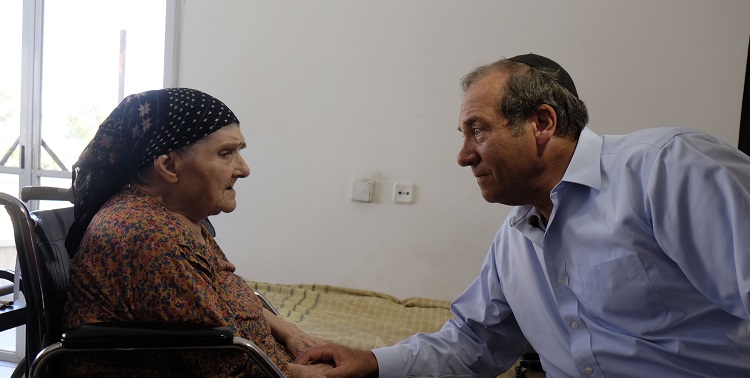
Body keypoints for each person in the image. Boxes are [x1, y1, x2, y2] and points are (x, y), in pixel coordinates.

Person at [295, 54, 750, 377]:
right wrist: (372, 362)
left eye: (478, 131)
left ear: (542, 124)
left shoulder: (669, 169)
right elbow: (474, 344)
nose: (463, 156)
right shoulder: (514, 240)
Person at [63, 88, 331, 377]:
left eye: (239, 151)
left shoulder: (176, 219)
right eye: (226, 153)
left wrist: (287, 329)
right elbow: (227, 367)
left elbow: (221, 291)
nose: (244, 169)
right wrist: (307, 374)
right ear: (168, 165)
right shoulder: (151, 237)